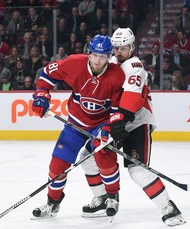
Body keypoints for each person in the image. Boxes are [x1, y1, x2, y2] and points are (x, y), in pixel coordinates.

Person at [80, 27, 186, 226]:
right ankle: (103, 200)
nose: (119, 52)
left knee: (137, 170)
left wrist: (119, 121)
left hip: (137, 123)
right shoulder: (109, 63)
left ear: (132, 47)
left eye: (124, 48)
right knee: (86, 159)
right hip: (115, 123)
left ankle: (169, 208)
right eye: (116, 48)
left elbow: (132, 98)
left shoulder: (135, 66)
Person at [31, 35, 125, 219]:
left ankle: (112, 196)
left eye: (103, 56)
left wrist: (109, 129)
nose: (98, 61)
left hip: (101, 124)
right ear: (89, 53)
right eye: (95, 55)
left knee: (104, 155)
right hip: (75, 122)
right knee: (58, 165)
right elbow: (46, 73)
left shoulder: (116, 75)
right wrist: (42, 95)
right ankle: (53, 203)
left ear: (109, 56)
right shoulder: (73, 63)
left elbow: (115, 109)